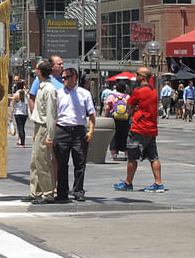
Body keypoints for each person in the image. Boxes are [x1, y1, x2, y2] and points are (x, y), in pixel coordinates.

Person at [113, 67, 165, 193]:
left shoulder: (138, 91)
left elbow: (128, 106)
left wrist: (134, 108)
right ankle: (159, 183)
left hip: (139, 128)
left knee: (132, 157)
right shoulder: (154, 91)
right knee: (154, 157)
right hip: (151, 128)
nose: (135, 76)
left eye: (137, 74)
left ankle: (128, 183)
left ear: (143, 77)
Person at [53, 67, 96, 202]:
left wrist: (91, 131)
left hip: (78, 131)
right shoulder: (58, 93)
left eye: (66, 77)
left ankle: (78, 190)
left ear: (74, 77)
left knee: (80, 163)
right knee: (61, 163)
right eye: (62, 78)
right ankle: (62, 192)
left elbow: (92, 114)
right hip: (62, 130)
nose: (63, 80)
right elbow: (54, 114)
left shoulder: (84, 94)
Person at [22, 59, 57, 204]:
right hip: (38, 127)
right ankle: (35, 191)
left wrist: (50, 135)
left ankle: (48, 193)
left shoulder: (49, 89)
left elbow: (51, 114)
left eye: (37, 68)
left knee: (43, 162)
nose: (35, 70)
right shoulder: (41, 87)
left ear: (41, 72)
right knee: (35, 161)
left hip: (44, 127)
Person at [106, 82, 130, 161]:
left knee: (114, 136)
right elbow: (130, 108)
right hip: (125, 119)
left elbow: (107, 108)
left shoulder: (111, 96)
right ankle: (126, 154)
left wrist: (106, 117)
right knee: (125, 136)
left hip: (114, 118)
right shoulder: (128, 97)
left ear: (116, 88)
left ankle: (114, 155)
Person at [9, 81, 28, 147]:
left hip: (18, 113)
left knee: (20, 128)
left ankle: (22, 143)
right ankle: (22, 141)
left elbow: (13, 106)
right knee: (22, 128)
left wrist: (11, 116)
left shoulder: (16, 94)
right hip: (25, 113)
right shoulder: (25, 93)